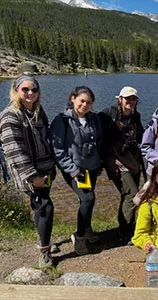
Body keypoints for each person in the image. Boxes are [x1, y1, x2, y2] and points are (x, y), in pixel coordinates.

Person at [0, 75, 56, 267]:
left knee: (39, 205)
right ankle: (44, 253)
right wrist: (32, 178)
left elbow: (48, 139)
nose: (30, 93)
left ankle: (43, 238)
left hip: (47, 169)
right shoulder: (10, 115)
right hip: (31, 174)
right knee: (45, 207)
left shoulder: (38, 112)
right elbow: (14, 150)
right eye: (25, 89)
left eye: (34, 89)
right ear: (16, 91)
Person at [50, 86, 102, 256]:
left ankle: (86, 228)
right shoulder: (62, 120)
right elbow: (57, 149)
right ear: (73, 98)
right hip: (76, 170)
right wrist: (72, 170)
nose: (85, 105)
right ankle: (79, 237)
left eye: (88, 102)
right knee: (88, 198)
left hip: (91, 168)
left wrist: (99, 162)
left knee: (88, 201)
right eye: (82, 101)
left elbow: (99, 141)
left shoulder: (93, 119)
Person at [98, 86, 145, 243]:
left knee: (128, 196)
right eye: (127, 99)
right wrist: (105, 161)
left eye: (133, 99)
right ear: (120, 99)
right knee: (132, 195)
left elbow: (141, 137)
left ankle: (125, 227)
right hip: (117, 163)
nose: (130, 102)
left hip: (133, 161)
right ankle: (125, 233)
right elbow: (97, 135)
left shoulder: (135, 116)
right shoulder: (107, 114)